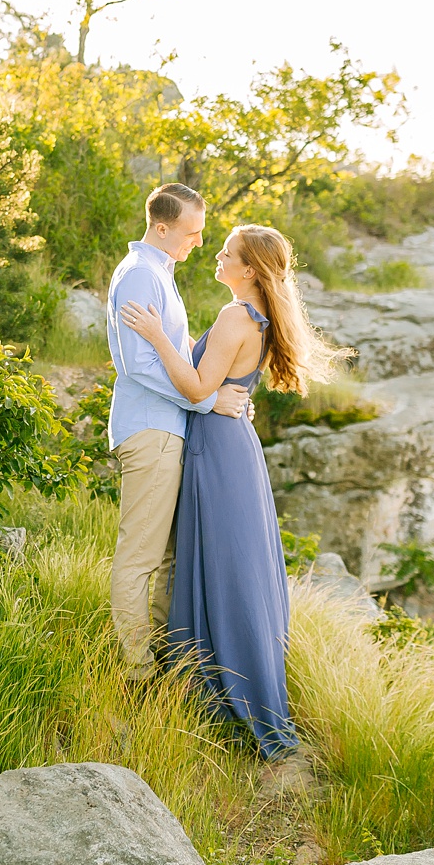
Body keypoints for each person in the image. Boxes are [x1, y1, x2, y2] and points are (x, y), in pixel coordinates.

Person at [119, 224, 345, 759]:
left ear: (248, 269)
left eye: (226, 252)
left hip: (217, 451)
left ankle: (224, 695)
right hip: (231, 444)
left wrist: (154, 338)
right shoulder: (258, 318)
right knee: (222, 565)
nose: (216, 256)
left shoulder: (234, 316)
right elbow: (217, 388)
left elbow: (198, 388)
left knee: (221, 567)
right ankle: (216, 688)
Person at [104, 184, 251, 680]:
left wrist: (224, 391)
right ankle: (136, 670)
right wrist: (208, 399)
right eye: (191, 233)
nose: (198, 242)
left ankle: (167, 660)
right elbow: (138, 366)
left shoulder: (160, 275)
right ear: (162, 228)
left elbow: (178, 351)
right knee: (139, 556)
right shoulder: (140, 278)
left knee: (169, 556)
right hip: (151, 431)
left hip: (170, 431)